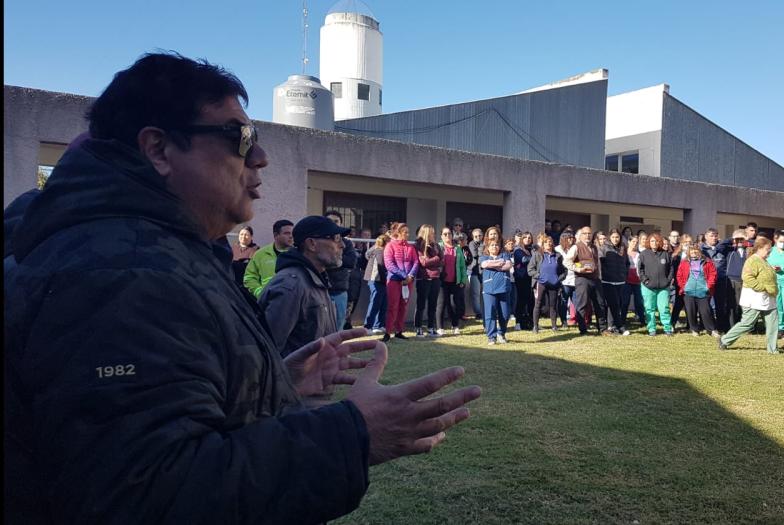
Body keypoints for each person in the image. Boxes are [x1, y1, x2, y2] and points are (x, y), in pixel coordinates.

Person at [4, 52, 480, 524]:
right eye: (240, 137)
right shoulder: (120, 272)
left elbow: (167, 405)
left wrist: (268, 384)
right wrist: (355, 433)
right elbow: (148, 494)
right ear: (158, 149)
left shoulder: (160, 251)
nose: (260, 157)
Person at [259, 216, 347, 356]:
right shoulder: (290, 286)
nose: (343, 245)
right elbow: (267, 351)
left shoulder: (316, 279)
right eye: (336, 238)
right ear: (311, 244)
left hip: (315, 377)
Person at [719, 237, 780, 353]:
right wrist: (762, 288)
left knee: (773, 324)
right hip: (754, 299)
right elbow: (747, 277)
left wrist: (773, 270)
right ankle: (725, 340)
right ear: (760, 248)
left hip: (768, 299)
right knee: (747, 324)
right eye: (768, 249)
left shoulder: (764, 261)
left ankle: (772, 349)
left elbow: (763, 273)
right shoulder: (752, 260)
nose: (769, 252)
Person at [563, 226, 612, 335]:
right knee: (582, 305)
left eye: (589, 233)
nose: (587, 236)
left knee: (600, 304)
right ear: (580, 236)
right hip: (582, 279)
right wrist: (578, 269)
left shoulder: (594, 247)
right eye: (585, 233)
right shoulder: (576, 247)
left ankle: (603, 329)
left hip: (595, 279)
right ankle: (583, 329)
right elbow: (566, 261)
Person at [384, 222, 419, 341]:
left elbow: (416, 262)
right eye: (405, 232)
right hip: (394, 281)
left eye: (408, 232)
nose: (408, 234)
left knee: (403, 306)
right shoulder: (390, 246)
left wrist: (410, 276)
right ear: (398, 233)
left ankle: (399, 331)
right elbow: (389, 264)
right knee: (392, 306)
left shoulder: (410, 247)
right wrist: (404, 275)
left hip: (408, 281)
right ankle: (388, 332)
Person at [638, 232, 675, 336]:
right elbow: (640, 270)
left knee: (664, 308)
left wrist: (668, 281)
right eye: (652, 241)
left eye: (656, 241)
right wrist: (645, 280)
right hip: (648, 287)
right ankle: (652, 329)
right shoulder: (643, 254)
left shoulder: (666, 254)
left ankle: (667, 328)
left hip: (663, 287)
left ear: (660, 242)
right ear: (649, 242)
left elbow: (671, 269)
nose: (654, 243)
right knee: (649, 308)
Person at [244, 219, 293, 297]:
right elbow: (249, 278)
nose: (291, 236)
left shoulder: (297, 255)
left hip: (291, 301)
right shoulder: (260, 254)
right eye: (287, 233)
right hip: (267, 302)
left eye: (292, 233)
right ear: (276, 235)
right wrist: (260, 293)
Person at [677, 245, 719, 336]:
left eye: (696, 251)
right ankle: (694, 329)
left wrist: (708, 286)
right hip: (688, 291)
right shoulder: (684, 262)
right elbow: (679, 275)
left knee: (706, 311)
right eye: (692, 251)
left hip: (703, 291)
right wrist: (684, 287)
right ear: (689, 252)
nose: (694, 253)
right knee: (691, 311)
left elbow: (713, 274)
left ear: (699, 251)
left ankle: (711, 329)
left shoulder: (708, 262)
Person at [325, 210, 357, 330]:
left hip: (339, 291)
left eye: (336, 221)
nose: (333, 224)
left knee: (338, 327)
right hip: (321, 290)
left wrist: (332, 259)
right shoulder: (319, 241)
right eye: (329, 221)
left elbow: (351, 262)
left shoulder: (346, 243)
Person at [528, 233, 567, 332]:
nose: (549, 244)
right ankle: (535, 326)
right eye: (546, 242)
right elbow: (530, 269)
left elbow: (564, 271)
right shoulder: (538, 254)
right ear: (543, 244)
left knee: (553, 306)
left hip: (554, 284)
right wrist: (539, 277)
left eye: (550, 242)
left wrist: (559, 279)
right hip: (541, 283)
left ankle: (554, 326)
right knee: (538, 304)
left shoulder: (558, 256)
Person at [437, 225, 467, 335]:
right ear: (441, 236)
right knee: (442, 303)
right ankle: (440, 327)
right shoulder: (438, 247)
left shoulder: (457, 248)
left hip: (455, 281)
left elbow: (462, 266)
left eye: (449, 233)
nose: (448, 235)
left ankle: (455, 326)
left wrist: (463, 280)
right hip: (442, 281)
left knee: (455, 304)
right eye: (445, 234)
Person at [480, 239, 513, 344]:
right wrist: (499, 263)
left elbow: (508, 265)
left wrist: (493, 264)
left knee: (505, 314)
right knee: (490, 313)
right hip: (489, 289)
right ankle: (491, 336)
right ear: (488, 248)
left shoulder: (505, 255)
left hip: (504, 288)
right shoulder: (484, 257)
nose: (494, 247)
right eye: (492, 245)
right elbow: (485, 265)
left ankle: (501, 333)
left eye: (496, 245)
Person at [413, 224, 443, 338]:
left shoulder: (436, 245)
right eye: (431, 232)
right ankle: (418, 327)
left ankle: (431, 327)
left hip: (435, 278)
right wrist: (437, 259)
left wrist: (436, 260)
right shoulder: (418, 246)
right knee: (421, 304)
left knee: (433, 304)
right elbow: (423, 263)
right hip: (423, 278)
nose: (433, 235)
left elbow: (442, 261)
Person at [599, 229, 630, 335]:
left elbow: (627, 263)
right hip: (608, 281)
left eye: (617, 237)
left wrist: (624, 275)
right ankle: (617, 326)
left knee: (619, 304)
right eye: (613, 237)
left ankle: (614, 325)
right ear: (609, 237)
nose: (615, 239)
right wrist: (605, 274)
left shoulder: (623, 248)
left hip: (620, 281)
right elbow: (601, 264)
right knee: (614, 304)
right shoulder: (604, 248)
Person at [363, 234, 390, 335]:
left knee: (382, 303)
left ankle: (378, 325)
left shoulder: (375, 249)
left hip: (378, 280)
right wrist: (386, 280)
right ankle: (368, 326)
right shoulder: (379, 251)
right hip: (376, 280)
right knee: (375, 303)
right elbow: (381, 267)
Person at [723, 229, 749, 328]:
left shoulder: (749, 250)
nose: (740, 241)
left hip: (746, 280)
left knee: (745, 304)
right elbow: (720, 246)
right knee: (733, 304)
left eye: (742, 239)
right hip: (733, 279)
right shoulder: (730, 250)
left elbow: (756, 244)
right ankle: (732, 324)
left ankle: (744, 325)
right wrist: (733, 239)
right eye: (738, 239)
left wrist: (746, 239)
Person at [512, 231, 536, 331]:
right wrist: (535, 258)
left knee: (532, 301)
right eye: (525, 237)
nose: (527, 239)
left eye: (529, 238)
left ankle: (532, 322)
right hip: (521, 278)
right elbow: (523, 260)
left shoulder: (532, 250)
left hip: (532, 277)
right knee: (522, 300)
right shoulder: (518, 250)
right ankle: (518, 322)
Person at [556, 232, 577, 328]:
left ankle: (578, 320)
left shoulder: (575, 248)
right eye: (569, 238)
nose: (571, 240)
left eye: (572, 238)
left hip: (575, 278)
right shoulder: (558, 249)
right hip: (564, 280)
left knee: (577, 302)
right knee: (563, 301)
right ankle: (564, 321)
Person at [626, 235, 647, 328]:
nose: (634, 244)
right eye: (633, 241)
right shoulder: (624, 252)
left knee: (639, 301)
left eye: (636, 242)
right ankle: (622, 320)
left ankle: (642, 320)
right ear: (629, 242)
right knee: (625, 301)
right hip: (626, 280)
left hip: (637, 280)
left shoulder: (639, 254)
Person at [468, 228, 485, 320]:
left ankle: (485, 311)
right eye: (476, 236)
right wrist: (482, 251)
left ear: (482, 236)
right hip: (474, 271)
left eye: (479, 235)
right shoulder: (471, 243)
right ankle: (478, 313)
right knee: (475, 294)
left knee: (485, 293)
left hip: (484, 271)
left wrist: (481, 253)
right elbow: (474, 255)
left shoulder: (484, 243)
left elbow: (485, 255)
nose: (478, 237)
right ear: (473, 237)